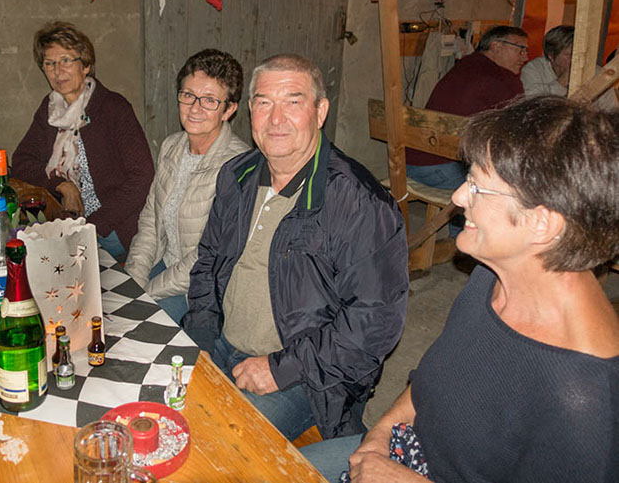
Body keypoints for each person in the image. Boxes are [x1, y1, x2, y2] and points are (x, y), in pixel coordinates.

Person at [302, 95, 619, 482]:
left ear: (543, 224)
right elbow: (431, 385)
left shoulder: (586, 399)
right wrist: (379, 435)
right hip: (404, 448)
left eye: (478, 188)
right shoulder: (494, 276)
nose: (457, 197)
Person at [182, 54, 409, 442]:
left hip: (306, 375)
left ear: (320, 112)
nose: (276, 118)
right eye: (264, 102)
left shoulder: (359, 201)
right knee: (158, 409)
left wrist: (279, 369)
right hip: (222, 342)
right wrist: (201, 336)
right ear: (250, 110)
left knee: (221, 442)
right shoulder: (237, 175)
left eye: (293, 102)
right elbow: (208, 261)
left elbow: (374, 323)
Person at [12, 21, 153, 262]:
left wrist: (92, 227)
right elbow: (22, 161)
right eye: (49, 63)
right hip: (70, 223)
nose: (58, 71)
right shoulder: (50, 110)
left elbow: (142, 177)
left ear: (85, 65)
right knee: (18, 251)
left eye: (66, 60)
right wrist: (63, 185)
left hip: (114, 228)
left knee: (46, 264)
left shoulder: (113, 108)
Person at [125, 49, 249, 323]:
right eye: (188, 95)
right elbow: (150, 221)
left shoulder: (238, 167)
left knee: (137, 326)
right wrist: (135, 279)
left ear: (229, 109)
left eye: (209, 100)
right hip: (165, 267)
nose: (195, 108)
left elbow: (207, 258)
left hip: (203, 290)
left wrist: (146, 293)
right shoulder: (171, 146)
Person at [405, 26, 527, 197]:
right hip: (440, 168)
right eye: (520, 49)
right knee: (516, 190)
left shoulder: (466, 63)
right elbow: (519, 129)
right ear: (496, 46)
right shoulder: (503, 78)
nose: (525, 57)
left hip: (411, 161)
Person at [521, 24, 618, 108]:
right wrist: (562, 81)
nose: (577, 60)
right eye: (570, 55)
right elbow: (531, 103)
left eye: (581, 55)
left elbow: (611, 110)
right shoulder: (533, 69)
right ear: (551, 55)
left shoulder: (595, 72)